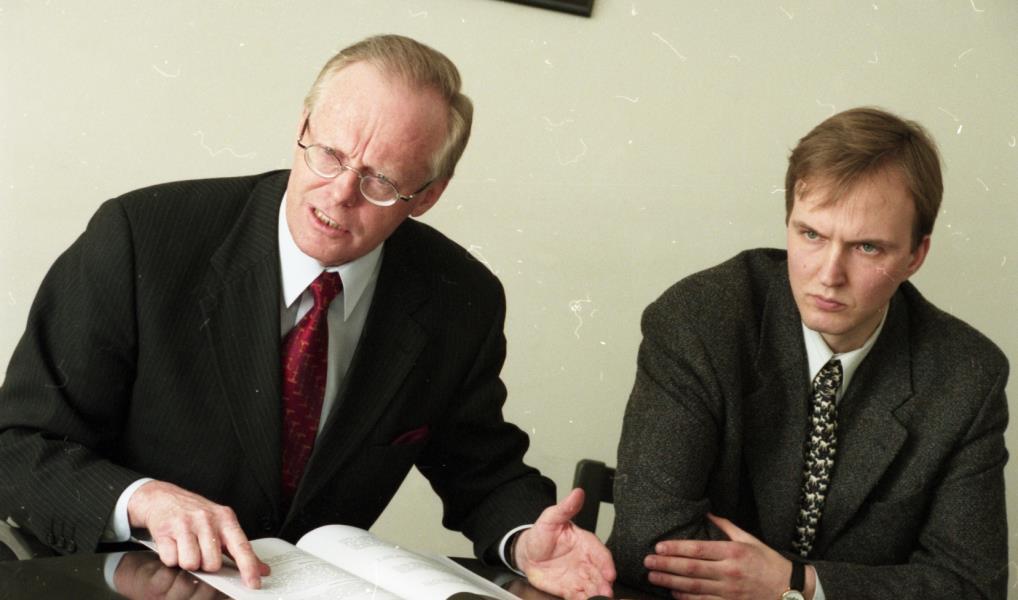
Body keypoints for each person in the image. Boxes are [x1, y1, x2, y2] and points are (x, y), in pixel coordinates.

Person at [0, 34, 614, 599]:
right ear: (302, 126)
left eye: (380, 181)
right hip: (116, 582)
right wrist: (143, 500)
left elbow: (480, 467)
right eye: (329, 155)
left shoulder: (460, 297)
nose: (339, 194)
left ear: (428, 195)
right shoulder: (144, 237)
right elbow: (17, 445)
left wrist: (525, 538)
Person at [609, 107, 1009, 599]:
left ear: (915, 256)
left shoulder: (966, 375)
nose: (828, 275)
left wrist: (797, 585)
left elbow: (972, 587)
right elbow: (646, 539)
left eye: (867, 247)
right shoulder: (699, 320)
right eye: (812, 235)